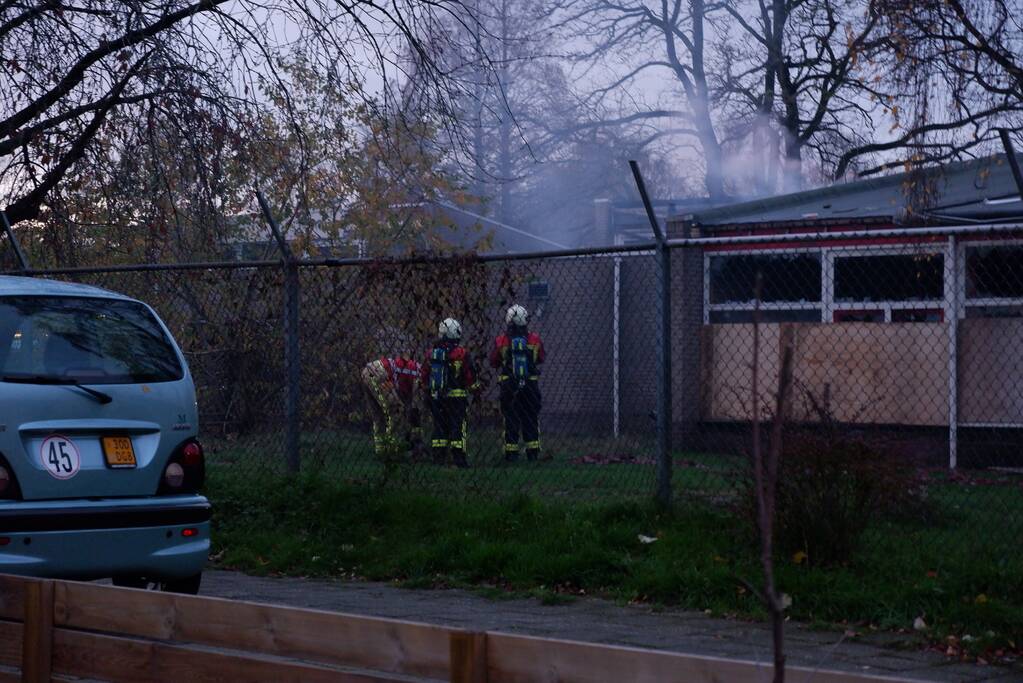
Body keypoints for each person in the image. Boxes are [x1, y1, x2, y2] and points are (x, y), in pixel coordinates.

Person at [489, 304, 545, 462]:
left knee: (511, 419)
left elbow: (494, 361)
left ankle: (511, 453)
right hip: (530, 385)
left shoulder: (501, 340)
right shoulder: (535, 339)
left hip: (509, 386)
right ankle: (532, 453)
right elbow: (541, 358)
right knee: (531, 418)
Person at [421, 318, 479, 468]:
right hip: (457, 399)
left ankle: (438, 459)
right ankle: (459, 459)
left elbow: (424, 375)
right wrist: (475, 389)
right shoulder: (462, 353)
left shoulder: (431, 353)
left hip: (437, 397)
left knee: (439, 426)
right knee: (457, 427)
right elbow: (469, 376)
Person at [361, 354, 424, 461]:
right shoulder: (419, 374)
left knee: (379, 415)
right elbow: (413, 405)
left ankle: (381, 450)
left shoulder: (413, 369)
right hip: (379, 374)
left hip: (369, 371)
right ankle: (393, 448)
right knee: (396, 409)